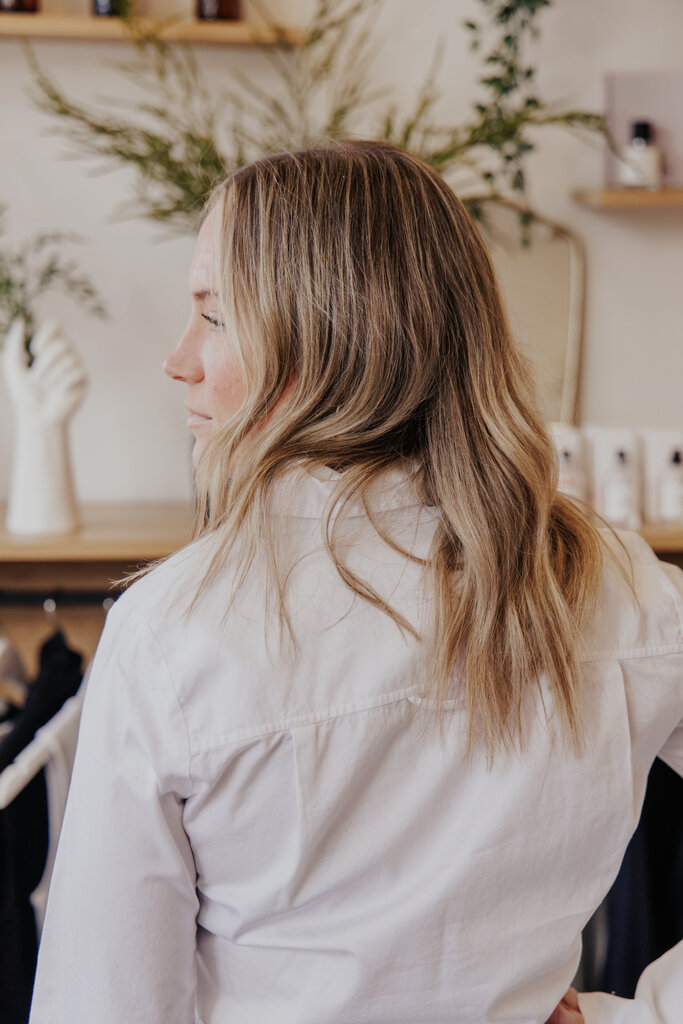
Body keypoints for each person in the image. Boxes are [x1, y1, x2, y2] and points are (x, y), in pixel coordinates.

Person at [28, 141, 682, 1024]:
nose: (178, 358)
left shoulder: (175, 633)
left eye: (213, 316)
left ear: (319, 340)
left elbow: (100, 1006)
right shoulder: (617, 588)